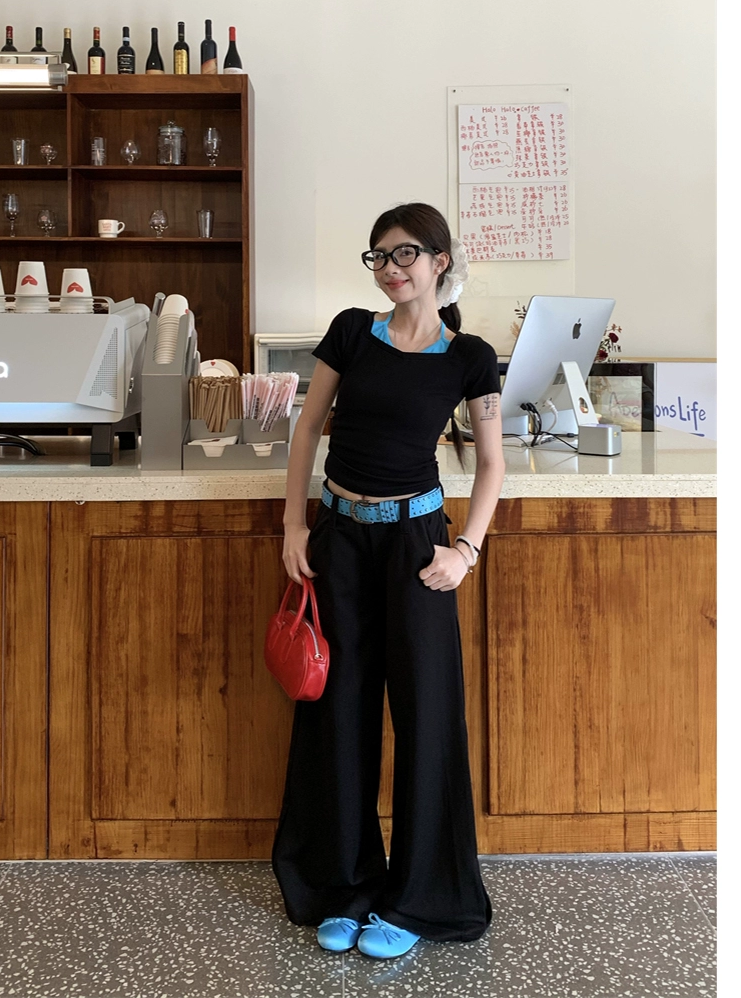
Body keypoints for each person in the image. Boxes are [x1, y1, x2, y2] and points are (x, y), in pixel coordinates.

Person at [271, 202, 505, 960]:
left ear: (440, 260)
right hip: (338, 538)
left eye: (405, 253)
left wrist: (465, 550)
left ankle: (418, 900)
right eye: (379, 256)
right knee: (338, 712)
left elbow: (492, 464)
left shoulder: (470, 357)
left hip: (417, 546)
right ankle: (342, 888)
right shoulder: (350, 331)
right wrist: (294, 526)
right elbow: (308, 428)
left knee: (427, 715)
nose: (391, 268)